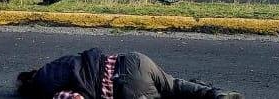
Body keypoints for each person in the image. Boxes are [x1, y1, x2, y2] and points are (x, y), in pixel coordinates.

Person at [15, 47, 242, 99]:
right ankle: (215, 94)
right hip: (135, 61)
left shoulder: (47, 87)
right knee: (172, 85)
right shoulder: (62, 63)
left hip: (123, 87)